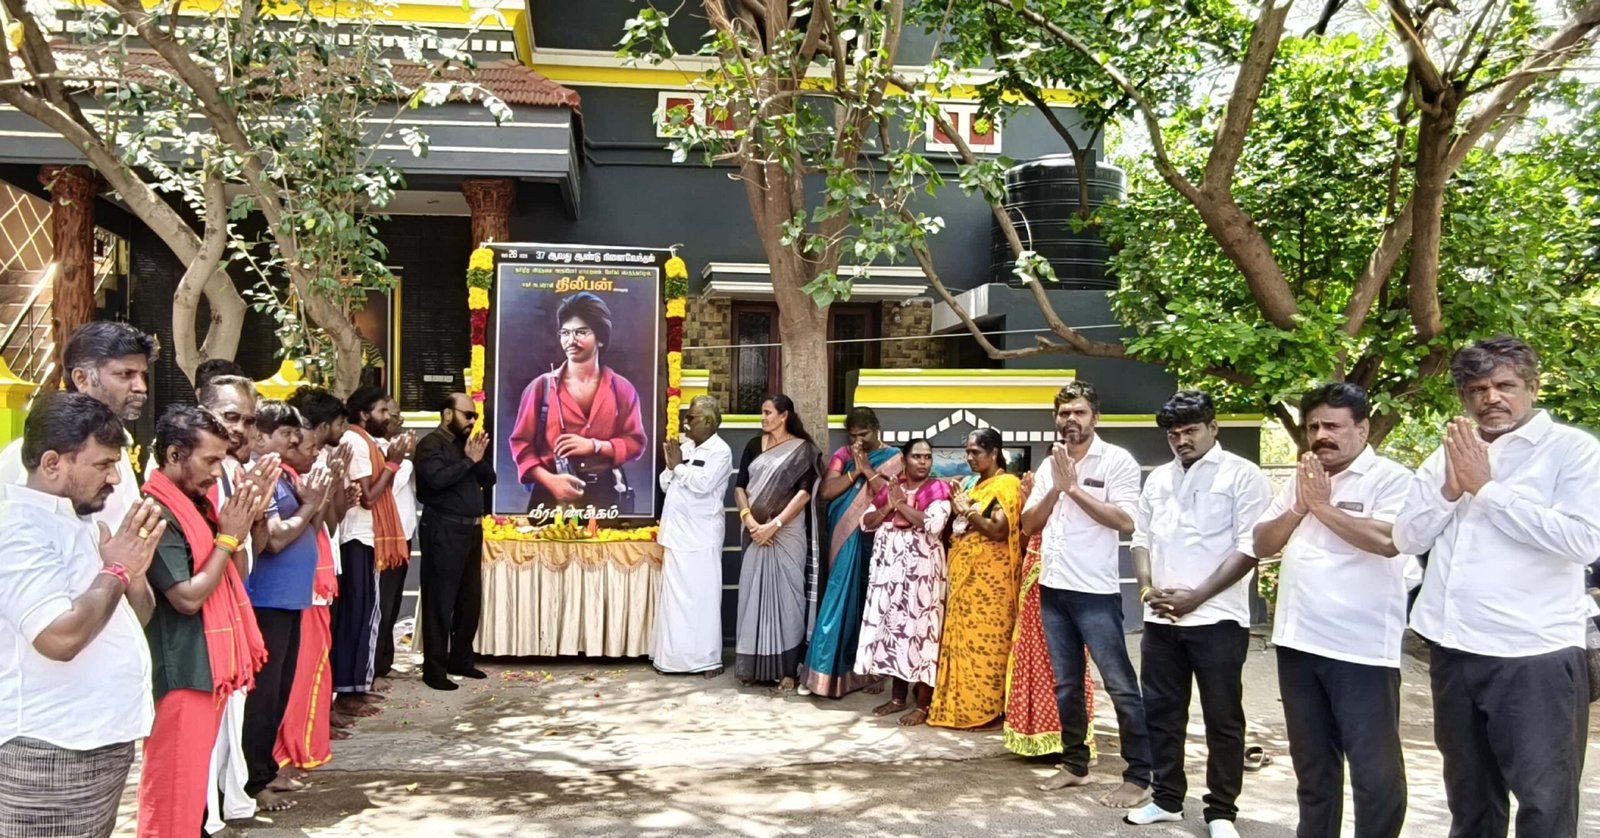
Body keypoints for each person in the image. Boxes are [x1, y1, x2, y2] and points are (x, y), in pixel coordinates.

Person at [1393, 336, 1600, 838]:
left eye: (1505, 385)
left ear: (1532, 387)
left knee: (1544, 804)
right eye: (1477, 389)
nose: (1492, 398)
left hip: (1533, 654)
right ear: (1464, 397)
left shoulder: (1572, 451)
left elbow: (1584, 541)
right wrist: (1450, 488)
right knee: (1470, 801)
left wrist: (1485, 490)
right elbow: (1407, 538)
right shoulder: (1448, 455)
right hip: (1454, 650)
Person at [0, 393, 164, 838]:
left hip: (94, 740)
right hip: (50, 750)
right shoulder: (18, 530)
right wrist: (116, 570)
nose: (115, 477)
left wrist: (133, 576)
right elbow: (60, 638)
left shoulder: (82, 524)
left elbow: (135, 618)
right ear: (52, 463)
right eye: (103, 464)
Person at [1252, 383, 1412, 838]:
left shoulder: (1391, 479)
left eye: (1333, 426)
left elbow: (1388, 541)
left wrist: (1321, 507)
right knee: (1313, 767)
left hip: (1361, 650)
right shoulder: (1303, 477)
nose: (1321, 435)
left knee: (1375, 773)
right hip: (1298, 642)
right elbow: (1261, 543)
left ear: (1362, 429)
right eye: (1313, 427)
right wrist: (1299, 506)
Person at [1126, 390, 1271, 837]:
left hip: (1218, 620)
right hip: (1162, 621)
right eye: (1174, 434)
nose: (1182, 440)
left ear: (1213, 428)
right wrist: (1146, 588)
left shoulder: (1242, 475)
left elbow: (1251, 547)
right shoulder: (1159, 479)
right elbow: (1140, 538)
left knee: (1222, 718)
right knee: (1162, 713)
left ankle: (1221, 812)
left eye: (1191, 430)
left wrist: (1197, 597)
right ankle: (1167, 800)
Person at [137, 405, 271, 838]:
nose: (218, 472)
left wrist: (244, 524)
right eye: (210, 460)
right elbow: (187, 597)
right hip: (181, 669)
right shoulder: (157, 511)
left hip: (205, 666)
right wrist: (228, 536)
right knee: (173, 791)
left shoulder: (195, 507)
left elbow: (234, 573)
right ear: (174, 455)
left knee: (190, 791)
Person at [1020, 381, 1152, 806]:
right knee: (1066, 684)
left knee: (1120, 684)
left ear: (1096, 416)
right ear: (1055, 418)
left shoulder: (1117, 461)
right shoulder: (1050, 465)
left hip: (1095, 592)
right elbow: (1028, 524)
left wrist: (1074, 488)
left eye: (1079, 412)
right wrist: (1056, 486)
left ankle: (1139, 775)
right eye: (1064, 413)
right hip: (1053, 588)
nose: (1070, 420)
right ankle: (1075, 765)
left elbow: (1127, 521)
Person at [240, 402, 333, 813]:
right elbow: (274, 540)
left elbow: (311, 527)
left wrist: (317, 498)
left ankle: (266, 768)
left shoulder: (285, 476)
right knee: (262, 697)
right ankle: (254, 781)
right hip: (267, 600)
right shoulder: (262, 477)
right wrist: (310, 504)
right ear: (260, 437)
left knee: (278, 692)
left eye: (297, 435)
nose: (295, 440)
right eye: (286, 434)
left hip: (290, 600)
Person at [195, 373, 276, 832]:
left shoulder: (231, 470)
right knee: (205, 734)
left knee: (231, 722)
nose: (240, 429)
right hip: (206, 615)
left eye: (247, 420)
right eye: (230, 416)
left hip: (234, 605)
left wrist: (257, 514)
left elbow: (250, 551)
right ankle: (203, 814)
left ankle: (226, 803)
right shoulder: (194, 473)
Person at [0, 321, 157, 530]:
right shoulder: (24, 456)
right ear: (82, 379)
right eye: (125, 374)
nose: (141, 387)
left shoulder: (118, 445)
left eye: (142, 375)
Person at [508, 291, 648, 514]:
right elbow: (520, 444)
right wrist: (549, 481)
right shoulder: (541, 387)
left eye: (581, 332)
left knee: (605, 540)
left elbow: (636, 442)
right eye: (565, 333)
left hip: (605, 494)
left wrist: (595, 446)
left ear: (600, 338)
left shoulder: (622, 388)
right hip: (551, 496)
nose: (571, 340)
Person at [800, 406, 902, 697]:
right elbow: (826, 492)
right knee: (839, 596)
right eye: (853, 435)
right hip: (844, 537)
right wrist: (854, 471)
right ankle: (824, 672)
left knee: (871, 601)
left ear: (877, 429)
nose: (858, 441)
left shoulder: (894, 458)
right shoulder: (843, 455)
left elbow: (891, 496)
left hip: (876, 538)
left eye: (864, 434)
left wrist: (867, 469)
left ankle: (868, 672)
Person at [928, 428, 1023, 730]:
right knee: (963, 643)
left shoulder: (1006, 484)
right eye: (967, 452)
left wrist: (967, 512)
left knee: (987, 646)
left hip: (990, 585)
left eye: (975, 452)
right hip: (965, 581)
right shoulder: (973, 484)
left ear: (993, 453)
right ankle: (960, 707)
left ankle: (987, 711)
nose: (969, 457)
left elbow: (998, 530)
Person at [854, 438, 952, 727]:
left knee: (922, 634)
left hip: (922, 577)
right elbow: (866, 522)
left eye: (927, 457)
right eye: (917, 456)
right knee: (896, 632)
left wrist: (899, 505)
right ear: (904, 460)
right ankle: (897, 698)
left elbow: (932, 524)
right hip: (890, 578)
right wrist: (889, 505)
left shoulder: (937, 489)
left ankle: (923, 705)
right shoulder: (891, 487)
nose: (923, 461)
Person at [273, 417, 349, 774]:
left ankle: (303, 745)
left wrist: (328, 489)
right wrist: (316, 498)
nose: (315, 454)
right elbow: (306, 528)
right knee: (301, 675)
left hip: (312, 585)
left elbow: (326, 525)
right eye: (308, 448)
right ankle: (291, 749)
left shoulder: (299, 479)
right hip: (299, 589)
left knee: (313, 669)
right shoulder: (285, 480)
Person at [333, 387, 412, 717]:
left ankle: (355, 688)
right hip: (359, 539)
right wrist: (393, 463)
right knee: (360, 616)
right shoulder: (356, 441)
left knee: (364, 615)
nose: (387, 417)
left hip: (365, 538)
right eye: (381, 410)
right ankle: (350, 691)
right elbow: (368, 497)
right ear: (364, 414)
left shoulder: (364, 440)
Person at [732, 394, 820, 689]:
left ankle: (788, 671)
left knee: (789, 599)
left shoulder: (803, 450)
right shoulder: (753, 446)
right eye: (762, 412)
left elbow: (804, 494)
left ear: (784, 416)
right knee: (752, 595)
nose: (763, 417)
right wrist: (750, 521)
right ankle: (754, 668)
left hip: (787, 534)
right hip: (754, 532)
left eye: (768, 412)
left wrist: (775, 525)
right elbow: (740, 487)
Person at [415, 393, 496, 691]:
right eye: (467, 415)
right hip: (443, 528)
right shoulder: (430, 445)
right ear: (448, 414)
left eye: (475, 416)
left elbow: (490, 478)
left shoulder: (467, 445)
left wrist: (475, 458)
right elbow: (437, 480)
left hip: (471, 531)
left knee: (468, 599)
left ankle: (461, 659)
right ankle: (434, 670)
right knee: (440, 600)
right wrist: (467, 461)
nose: (472, 421)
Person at [652, 395, 733, 676]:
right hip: (676, 533)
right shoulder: (685, 448)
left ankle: (707, 660)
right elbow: (665, 484)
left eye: (691, 418)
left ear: (708, 422)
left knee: (702, 599)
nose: (685, 423)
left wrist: (678, 467)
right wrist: (671, 466)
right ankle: (671, 659)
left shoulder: (720, 451)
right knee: (674, 601)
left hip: (701, 536)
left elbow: (703, 484)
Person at [1002, 528, 1097, 761]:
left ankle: (1076, 743)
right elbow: (1026, 531)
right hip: (1036, 574)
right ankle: (1041, 739)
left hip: (1069, 573)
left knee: (1067, 658)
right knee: (1034, 654)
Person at [373, 397, 417, 686]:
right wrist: (403, 461)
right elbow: (387, 486)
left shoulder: (396, 450)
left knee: (393, 602)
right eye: (393, 415)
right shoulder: (376, 449)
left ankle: (385, 662)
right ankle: (374, 667)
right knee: (382, 603)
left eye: (400, 415)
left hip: (404, 536)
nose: (399, 421)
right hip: (385, 538)